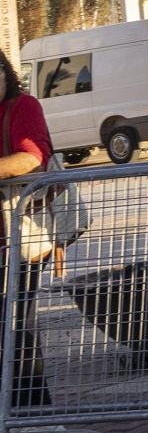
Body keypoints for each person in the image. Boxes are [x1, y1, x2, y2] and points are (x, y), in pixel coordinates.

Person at [1, 50, 54, 409]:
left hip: (19, 235)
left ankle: (31, 413)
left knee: (15, 323)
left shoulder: (23, 106)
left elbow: (33, 157)